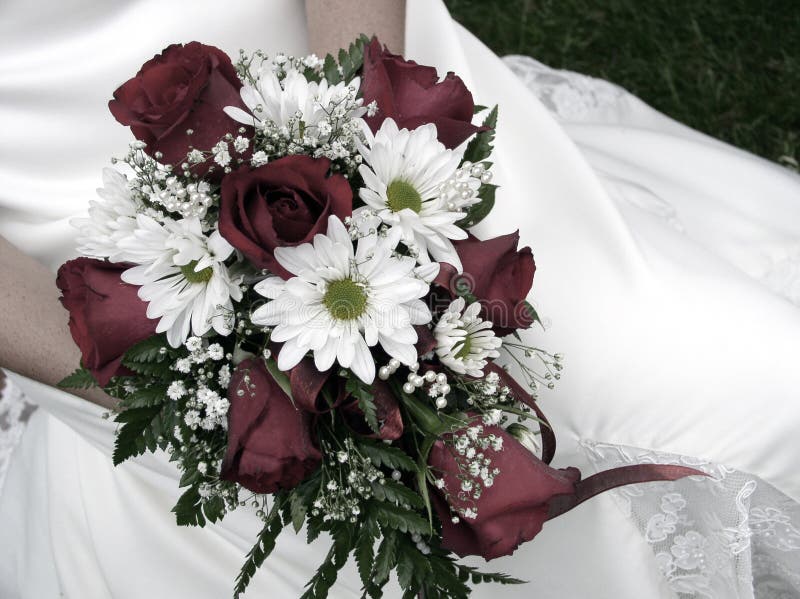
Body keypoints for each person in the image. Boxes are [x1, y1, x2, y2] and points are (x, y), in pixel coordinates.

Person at [2, 1, 799, 597]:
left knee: (758, 394)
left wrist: (362, 147)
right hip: (99, 283)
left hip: (358, 103)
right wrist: (188, 385)